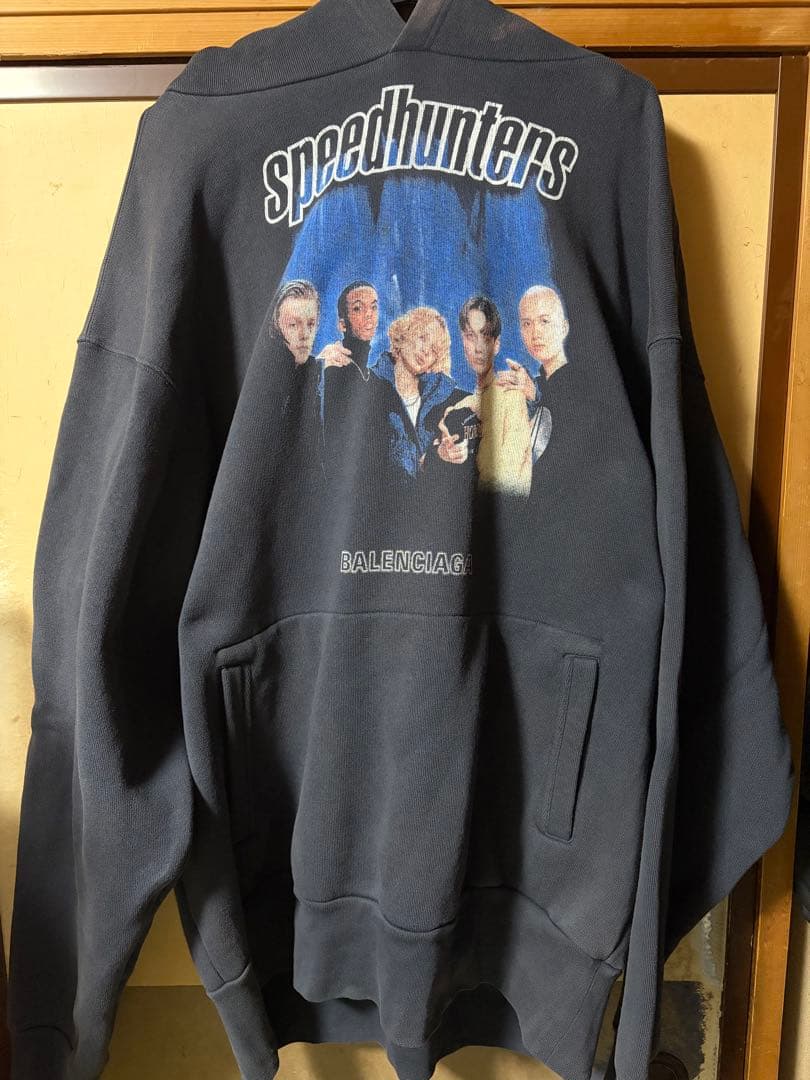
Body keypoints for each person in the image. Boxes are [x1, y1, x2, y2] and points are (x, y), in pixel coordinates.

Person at [430, 295, 533, 498]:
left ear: (496, 344)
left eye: (485, 336)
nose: (478, 348)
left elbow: (508, 482)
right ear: (462, 339)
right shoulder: (458, 406)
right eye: (470, 336)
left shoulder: (511, 396)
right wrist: (441, 453)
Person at [371, 306, 459, 484]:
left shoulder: (441, 400)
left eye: (434, 350)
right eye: (423, 338)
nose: (426, 351)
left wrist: (440, 455)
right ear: (404, 335)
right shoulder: (370, 385)